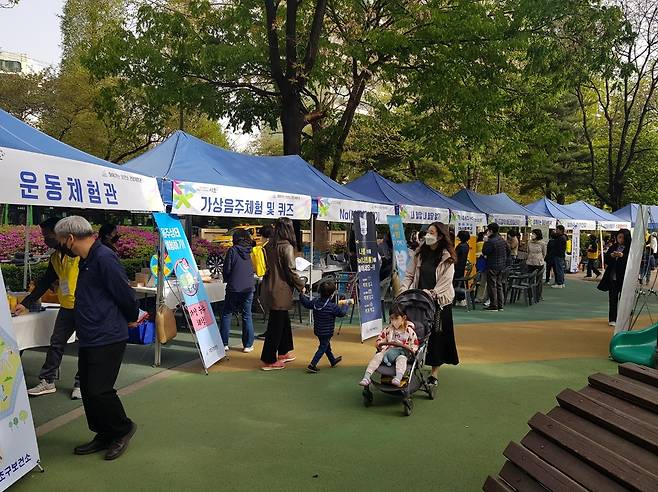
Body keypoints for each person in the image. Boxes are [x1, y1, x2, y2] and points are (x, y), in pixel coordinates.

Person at [54, 216, 138, 460]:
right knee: (89, 390)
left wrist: (132, 315)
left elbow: (124, 292)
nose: (60, 245)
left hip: (108, 334)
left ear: (70, 238)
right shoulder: (87, 259)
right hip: (91, 333)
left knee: (100, 390)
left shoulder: (104, 257)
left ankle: (122, 429)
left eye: (61, 241)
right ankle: (103, 433)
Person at [13, 217, 81, 399]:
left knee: (86, 347)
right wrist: (25, 303)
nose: (45, 239)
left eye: (47, 235)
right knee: (56, 343)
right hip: (66, 307)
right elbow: (44, 282)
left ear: (60, 233)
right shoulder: (55, 257)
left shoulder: (81, 255)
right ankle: (47, 381)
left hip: (85, 308)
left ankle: (81, 383)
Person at [401, 222, 458, 386]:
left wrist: (431, 294)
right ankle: (408, 364)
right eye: (427, 232)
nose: (428, 235)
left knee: (436, 337)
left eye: (432, 232)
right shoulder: (420, 253)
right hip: (419, 301)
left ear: (440, 236)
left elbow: (445, 283)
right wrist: (404, 290)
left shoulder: (448, 257)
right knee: (414, 331)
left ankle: (434, 374)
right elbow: (409, 275)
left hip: (439, 302)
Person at [260, 218, 306, 371]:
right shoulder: (286, 247)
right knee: (276, 325)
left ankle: (283, 352)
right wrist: (301, 286)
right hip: (281, 289)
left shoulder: (269, 245)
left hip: (270, 288)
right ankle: (269, 359)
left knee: (282, 321)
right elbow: (291, 270)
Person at [358, 303, 419, 388]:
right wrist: (381, 345)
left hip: (402, 353)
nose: (394, 321)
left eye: (396, 318)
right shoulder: (388, 329)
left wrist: (408, 350)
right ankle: (367, 377)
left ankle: (398, 378)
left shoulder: (409, 331)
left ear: (404, 318)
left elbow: (415, 345)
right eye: (391, 319)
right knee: (378, 356)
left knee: (402, 359)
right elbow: (380, 339)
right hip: (388, 352)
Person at [300, 281, 350, 373]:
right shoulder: (332, 307)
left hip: (318, 330)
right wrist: (346, 305)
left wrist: (301, 295)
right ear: (331, 295)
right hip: (327, 332)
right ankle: (312, 365)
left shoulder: (315, 302)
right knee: (323, 347)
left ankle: (332, 360)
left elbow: (306, 304)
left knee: (326, 345)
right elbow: (342, 314)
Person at [220, 228, 256, 353]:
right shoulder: (250, 251)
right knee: (247, 315)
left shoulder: (232, 251)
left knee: (227, 313)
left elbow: (227, 269)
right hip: (248, 287)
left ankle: (224, 343)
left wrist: (227, 279)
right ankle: (248, 345)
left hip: (234, 287)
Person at [598, 229, 631, 327]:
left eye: (622, 237)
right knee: (612, 299)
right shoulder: (614, 246)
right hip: (613, 276)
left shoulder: (630, 247)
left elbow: (632, 260)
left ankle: (623, 318)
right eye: (618, 236)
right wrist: (612, 255)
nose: (619, 239)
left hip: (625, 277)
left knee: (624, 299)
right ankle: (612, 319)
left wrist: (622, 256)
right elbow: (606, 259)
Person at [482, 223, 510, 312]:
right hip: (501, 266)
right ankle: (500, 305)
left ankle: (494, 305)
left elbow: (485, 252)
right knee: (499, 285)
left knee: (492, 286)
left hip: (492, 265)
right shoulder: (502, 240)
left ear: (490, 231)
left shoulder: (490, 241)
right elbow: (508, 251)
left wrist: (485, 242)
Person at [254, 225, 273, 340]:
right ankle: (271, 332)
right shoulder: (276, 247)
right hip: (275, 281)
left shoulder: (264, 249)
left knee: (271, 309)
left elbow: (261, 268)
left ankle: (270, 333)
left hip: (269, 280)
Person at [453, 230, 471, 307]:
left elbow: (455, 255)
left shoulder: (461, 246)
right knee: (459, 283)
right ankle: (460, 299)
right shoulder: (466, 245)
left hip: (457, 267)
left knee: (457, 282)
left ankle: (459, 298)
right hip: (461, 267)